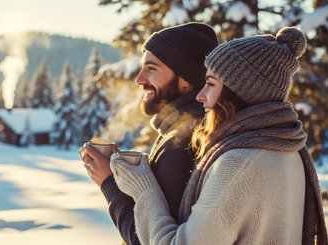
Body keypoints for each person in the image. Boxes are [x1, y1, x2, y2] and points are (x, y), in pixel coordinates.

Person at [109, 26, 327, 244]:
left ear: (238, 92)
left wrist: (143, 187)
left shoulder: (238, 163)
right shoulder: (290, 150)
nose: (201, 95)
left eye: (210, 84)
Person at [80, 23, 218, 244]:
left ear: (186, 79)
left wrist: (109, 184)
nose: (139, 80)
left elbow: (147, 239)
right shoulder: (189, 129)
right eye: (142, 67)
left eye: (151, 69)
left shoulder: (183, 142)